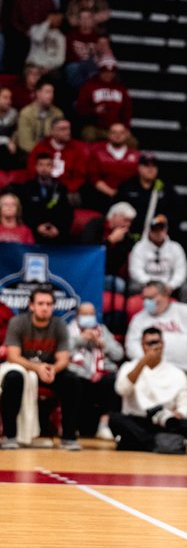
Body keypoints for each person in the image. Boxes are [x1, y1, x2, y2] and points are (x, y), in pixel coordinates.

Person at [0, 285, 83, 451]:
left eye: (49, 304)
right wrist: (36, 368)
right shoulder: (18, 322)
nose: (45, 307)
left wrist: (53, 369)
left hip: (48, 371)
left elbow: (63, 358)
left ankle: (68, 436)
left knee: (72, 380)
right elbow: (13, 356)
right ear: (32, 306)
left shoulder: (59, 325)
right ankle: (10, 436)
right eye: (41, 303)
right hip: (24, 369)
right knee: (13, 378)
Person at [109, 327, 187, 453]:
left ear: (163, 344)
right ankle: (160, 444)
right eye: (149, 343)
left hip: (163, 422)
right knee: (116, 420)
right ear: (142, 345)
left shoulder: (177, 373)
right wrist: (142, 363)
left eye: (157, 342)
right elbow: (122, 390)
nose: (154, 347)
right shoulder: (129, 367)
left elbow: (184, 403)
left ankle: (135, 443)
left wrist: (179, 414)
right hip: (137, 420)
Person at [124, 281, 187, 376]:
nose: (146, 302)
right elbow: (131, 346)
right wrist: (148, 362)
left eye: (151, 298)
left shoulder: (185, 311)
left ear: (165, 295)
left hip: (186, 372)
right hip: (152, 373)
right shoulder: (139, 319)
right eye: (145, 298)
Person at [66, 300, 122, 441]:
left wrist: (102, 343)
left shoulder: (103, 330)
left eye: (91, 314)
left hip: (102, 373)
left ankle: (104, 425)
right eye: (85, 314)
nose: (88, 317)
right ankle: (72, 426)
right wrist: (80, 339)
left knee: (113, 380)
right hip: (79, 373)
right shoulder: (68, 330)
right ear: (77, 315)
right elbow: (62, 351)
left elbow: (119, 354)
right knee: (71, 380)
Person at [128, 215, 187, 303]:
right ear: (150, 230)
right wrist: (150, 284)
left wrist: (171, 285)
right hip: (146, 284)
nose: (158, 233)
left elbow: (181, 272)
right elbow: (135, 271)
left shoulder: (176, 248)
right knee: (133, 287)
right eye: (155, 230)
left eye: (161, 229)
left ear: (166, 230)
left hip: (169, 285)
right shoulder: (139, 247)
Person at [16, 151, 74, 244]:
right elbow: (24, 212)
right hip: (34, 232)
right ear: (36, 167)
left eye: (48, 165)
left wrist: (58, 229)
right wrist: (37, 227)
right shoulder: (27, 187)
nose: (44, 168)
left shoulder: (61, 188)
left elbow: (67, 213)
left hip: (57, 233)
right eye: (41, 165)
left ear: (52, 168)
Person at [14, 80, 63, 155]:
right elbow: (25, 144)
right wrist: (43, 153)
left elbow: (60, 139)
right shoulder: (26, 114)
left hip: (53, 154)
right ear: (38, 93)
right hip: (30, 154)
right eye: (47, 92)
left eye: (52, 92)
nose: (51, 95)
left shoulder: (58, 113)